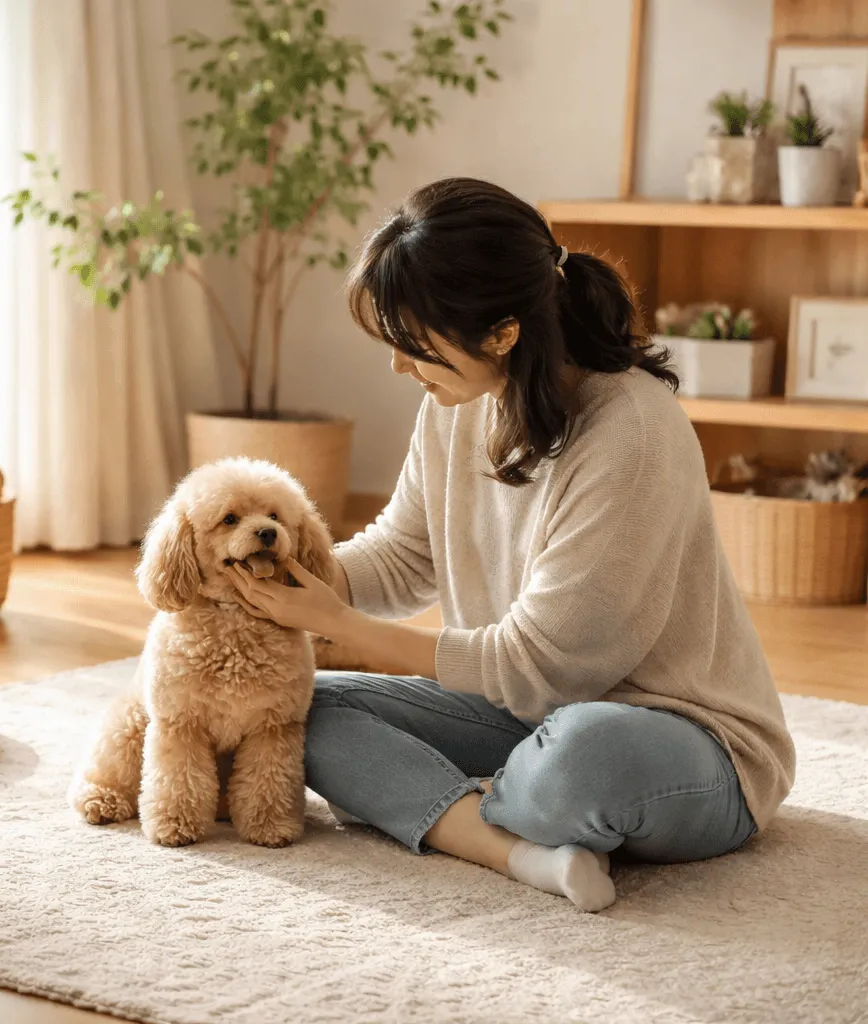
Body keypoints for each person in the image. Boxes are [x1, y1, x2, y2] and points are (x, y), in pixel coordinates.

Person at [228, 177, 794, 912]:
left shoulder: (633, 434)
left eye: (412, 343)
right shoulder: (456, 402)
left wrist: (338, 626)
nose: (399, 366)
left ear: (501, 333)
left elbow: (538, 662)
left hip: (685, 739)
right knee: (301, 706)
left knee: (579, 761)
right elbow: (404, 553)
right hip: (523, 713)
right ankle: (518, 848)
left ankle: (469, 800)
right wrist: (289, 576)